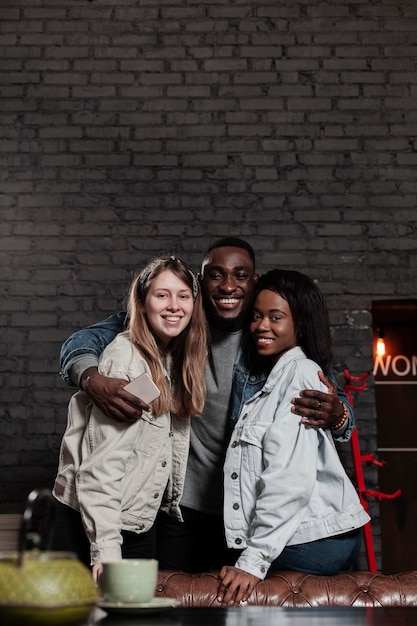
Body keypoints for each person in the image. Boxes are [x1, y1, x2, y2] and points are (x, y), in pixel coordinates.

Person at [59, 237, 354, 572]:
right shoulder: (178, 320)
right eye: (216, 275)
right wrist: (91, 378)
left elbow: (322, 386)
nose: (228, 285)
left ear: (254, 282)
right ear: (200, 283)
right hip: (181, 507)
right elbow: (89, 338)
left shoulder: (268, 333)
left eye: (240, 276)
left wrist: (340, 416)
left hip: (246, 511)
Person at [216, 269, 370, 607]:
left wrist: (253, 560)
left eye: (275, 317)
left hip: (314, 541)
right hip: (312, 537)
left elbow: (289, 478)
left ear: (299, 324)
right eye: (256, 317)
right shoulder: (278, 373)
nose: (261, 326)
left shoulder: (300, 375)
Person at [52, 257, 207, 581]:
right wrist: (106, 552)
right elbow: (100, 469)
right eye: (162, 295)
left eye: (182, 296)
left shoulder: (171, 356)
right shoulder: (127, 362)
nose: (173, 306)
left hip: (135, 521)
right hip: (95, 525)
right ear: (142, 302)